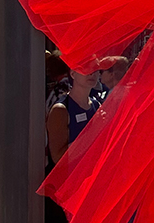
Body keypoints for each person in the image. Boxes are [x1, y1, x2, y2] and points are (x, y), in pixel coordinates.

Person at [45, 58, 115, 222]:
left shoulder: (97, 105)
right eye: (85, 69)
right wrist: (92, 131)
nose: (91, 74)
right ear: (73, 73)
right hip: (66, 192)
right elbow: (59, 158)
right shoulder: (61, 110)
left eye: (95, 70)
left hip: (90, 187)